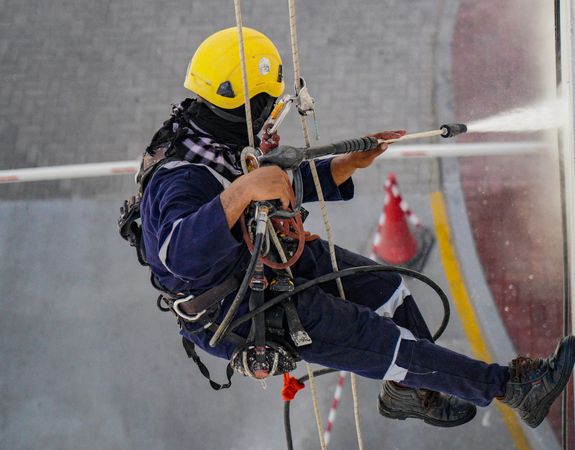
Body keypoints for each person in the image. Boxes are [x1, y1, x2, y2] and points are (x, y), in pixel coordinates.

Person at [138, 27, 575, 429]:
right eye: (268, 106)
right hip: (237, 309)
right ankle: (512, 389)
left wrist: (346, 164)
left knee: (388, 289)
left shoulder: (214, 139)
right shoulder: (181, 177)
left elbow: (274, 186)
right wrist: (243, 191)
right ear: (245, 106)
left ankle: (409, 392)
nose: (272, 116)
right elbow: (178, 256)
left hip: (259, 257)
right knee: (386, 346)